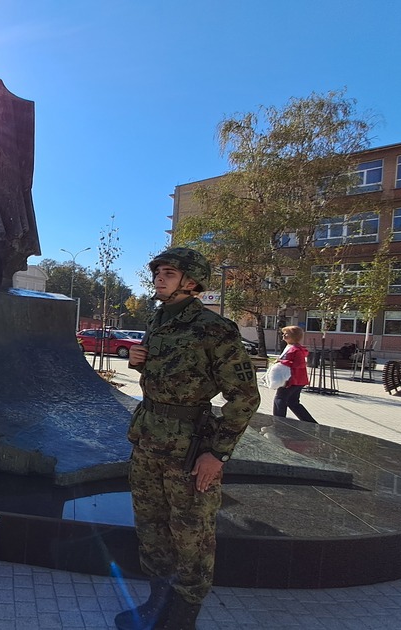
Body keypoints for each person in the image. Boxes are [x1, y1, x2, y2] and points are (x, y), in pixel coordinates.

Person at [118, 247, 260, 630]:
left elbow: (245, 397)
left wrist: (217, 454)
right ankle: (156, 605)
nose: (159, 278)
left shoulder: (215, 328)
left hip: (188, 445)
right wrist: (138, 362)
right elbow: (162, 379)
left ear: (191, 281)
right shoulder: (159, 320)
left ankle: (182, 619)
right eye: (158, 272)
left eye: (169, 273)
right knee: (151, 525)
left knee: (191, 532)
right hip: (148, 438)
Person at [271, 326, 317, 423]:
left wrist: (282, 362)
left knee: (280, 398)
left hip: (292, 380)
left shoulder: (295, 349)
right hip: (297, 380)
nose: (283, 335)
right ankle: (310, 423)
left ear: (294, 336)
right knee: (293, 402)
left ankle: (278, 422)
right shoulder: (290, 347)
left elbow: (300, 364)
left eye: (286, 334)